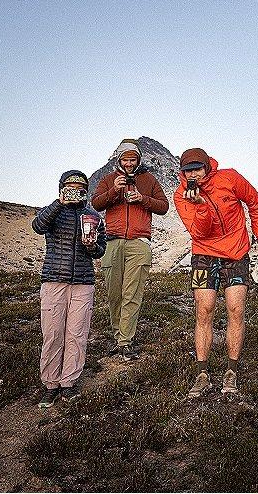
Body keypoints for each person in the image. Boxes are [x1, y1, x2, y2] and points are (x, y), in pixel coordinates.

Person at [171, 147, 258, 398]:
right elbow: (199, 233)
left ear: (207, 167)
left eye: (197, 169)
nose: (193, 174)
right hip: (203, 254)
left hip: (236, 253)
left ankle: (231, 371)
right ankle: (202, 373)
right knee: (204, 310)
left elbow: (255, 203)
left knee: (236, 309)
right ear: (182, 172)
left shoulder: (230, 178)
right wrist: (201, 206)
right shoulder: (181, 196)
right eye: (187, 170)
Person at [32, 170, 107, 408]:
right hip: (54, 279)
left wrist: (93, 245)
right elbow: (38, 225)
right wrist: (59, 203)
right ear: (62, 188)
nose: (75, 190)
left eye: (80, 187)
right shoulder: (53, 211)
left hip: (83, 282)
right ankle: (51, 384)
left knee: (77, 334)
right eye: (70, 186)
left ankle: (69, 382)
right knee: (53, 334)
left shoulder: (93, 216)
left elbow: (100, 250)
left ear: (86, 190)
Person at [90, 139, 169, 361]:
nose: (129, 163)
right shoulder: (108, 179)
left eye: (133, 159)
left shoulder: (149, 179)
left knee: (132, 294)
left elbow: (163, 207)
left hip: (139, 242)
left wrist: (143, 199)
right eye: (125, 159)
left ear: (138, 160)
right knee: (114, 294)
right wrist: (114, 191)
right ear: (119, 160)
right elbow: (95, 204)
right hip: (112, 241)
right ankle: (119, 337)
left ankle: (125, 341)